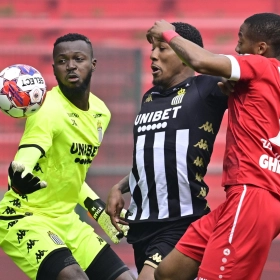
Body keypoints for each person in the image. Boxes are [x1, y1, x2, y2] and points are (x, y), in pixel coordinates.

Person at [146, 13, 280, 280]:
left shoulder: (258, 65)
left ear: (261, 48)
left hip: (251, 195)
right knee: (169, 272)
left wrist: (168, 34)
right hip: (267, 200)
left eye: (241, 40)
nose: (236, 48)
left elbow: (199, 61)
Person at [0, 33, 135, 280]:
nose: (70, 65)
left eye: (78, 58)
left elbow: (71, 175)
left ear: (93, 64)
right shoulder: (46, 110)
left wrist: (99, 211)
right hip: (25, 217)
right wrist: (17, 177)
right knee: (74, 277)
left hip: (67, 220)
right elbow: (26, 155)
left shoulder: (101, 113)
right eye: (62, 60)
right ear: (54, 69)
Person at [105, 22, 228, 280]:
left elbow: (238, 72)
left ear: (185, 55)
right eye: (152, 48)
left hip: (181, 220)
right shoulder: (149, 97)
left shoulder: (206, 88)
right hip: (142, 226)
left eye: (163, 48)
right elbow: (154, 160)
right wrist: (119, 187)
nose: (153, 54)